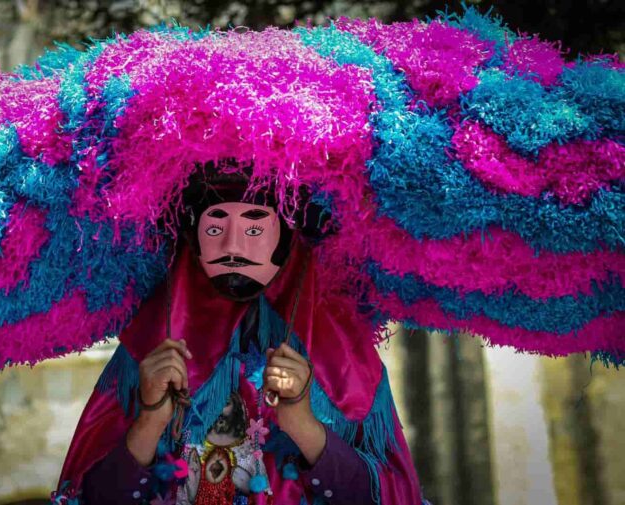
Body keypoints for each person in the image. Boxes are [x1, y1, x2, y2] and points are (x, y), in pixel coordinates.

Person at [54, 170, 425, 504]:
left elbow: (396, 496)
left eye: (254, 230)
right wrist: (151, 420)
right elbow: (90, 495)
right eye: (215, 229)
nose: (233, 247)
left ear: (287, 236)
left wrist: (302, 425)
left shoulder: (345, 360)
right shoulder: (147, 352)